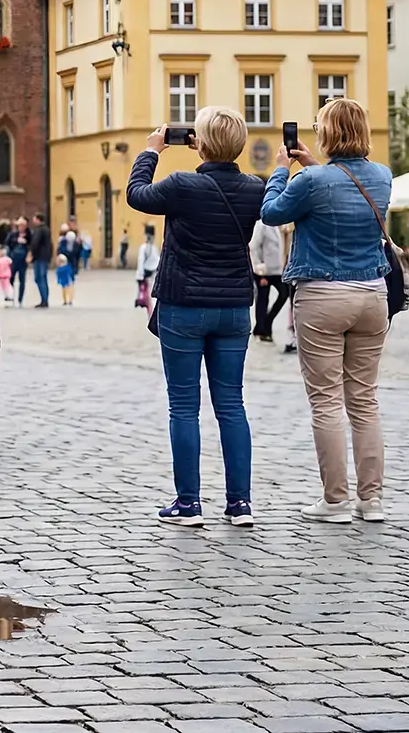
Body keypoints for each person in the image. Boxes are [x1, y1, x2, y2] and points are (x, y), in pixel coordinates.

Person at [127, 106, 264, 527]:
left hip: (184, 306)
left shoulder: (182, 185)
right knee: (231, 404)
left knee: (184, 406)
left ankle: (189, 504)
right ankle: (239, 504)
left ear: (198, 143)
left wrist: (151, 152)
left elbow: (137, 194)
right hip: (234, 309)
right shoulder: (255, 188)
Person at [259, 97, 394, 524]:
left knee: (326, 402)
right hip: (373, 295)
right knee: (365, 400)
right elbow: (342, 186)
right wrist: (315, 165)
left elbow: (271, 211)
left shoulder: (310, 181)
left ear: (327, 132)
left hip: (323, 296)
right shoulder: (383, 177)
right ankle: (371, 501)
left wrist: (283, 168)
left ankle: (334, 501)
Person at [249, 217, 289, 343]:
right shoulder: (262, 225)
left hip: (277, 270)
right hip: (264, 271)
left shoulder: (281, 226)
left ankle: (267, 323)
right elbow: (254, 247)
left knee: (284, 293)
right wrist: (259, 270)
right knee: (262, 299)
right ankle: (261, 330)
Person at [27, 214, 53, 307]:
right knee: (43, 278)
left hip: (39, 257)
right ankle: (45, 299)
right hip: (45, 257)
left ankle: (44, 300)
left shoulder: (39, 230)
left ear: (38, 219)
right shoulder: (47, 229)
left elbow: (35, 243)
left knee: (39, 278)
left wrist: (31, 254)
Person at [135, 225, 160, 308]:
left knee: (148, 297)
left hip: (146, 274)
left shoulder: (143, 248)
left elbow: (141, 262)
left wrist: (139, 275)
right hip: (154, 273)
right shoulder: (154, 248)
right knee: (152, 297)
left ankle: (151, 315)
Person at [6, 217, 30, 305]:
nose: (22, 227)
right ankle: (11, 296)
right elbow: (8, 243)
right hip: (13, 259)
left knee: (22, 279)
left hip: (23, 260)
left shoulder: (29, 234)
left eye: (23, 226)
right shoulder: (13, 234)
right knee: (11, 277)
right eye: (20, 226)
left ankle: (20, 299)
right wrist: (16, 240)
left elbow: (31, 245)